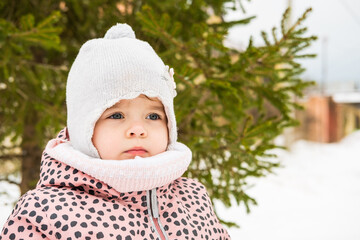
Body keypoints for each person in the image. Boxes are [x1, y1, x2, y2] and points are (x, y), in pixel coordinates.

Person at [0, 23, 230, 240]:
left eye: (153, 116)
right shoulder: (45, 211)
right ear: (83, 128)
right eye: (116, 115)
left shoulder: (192, 197)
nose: (138, 130)